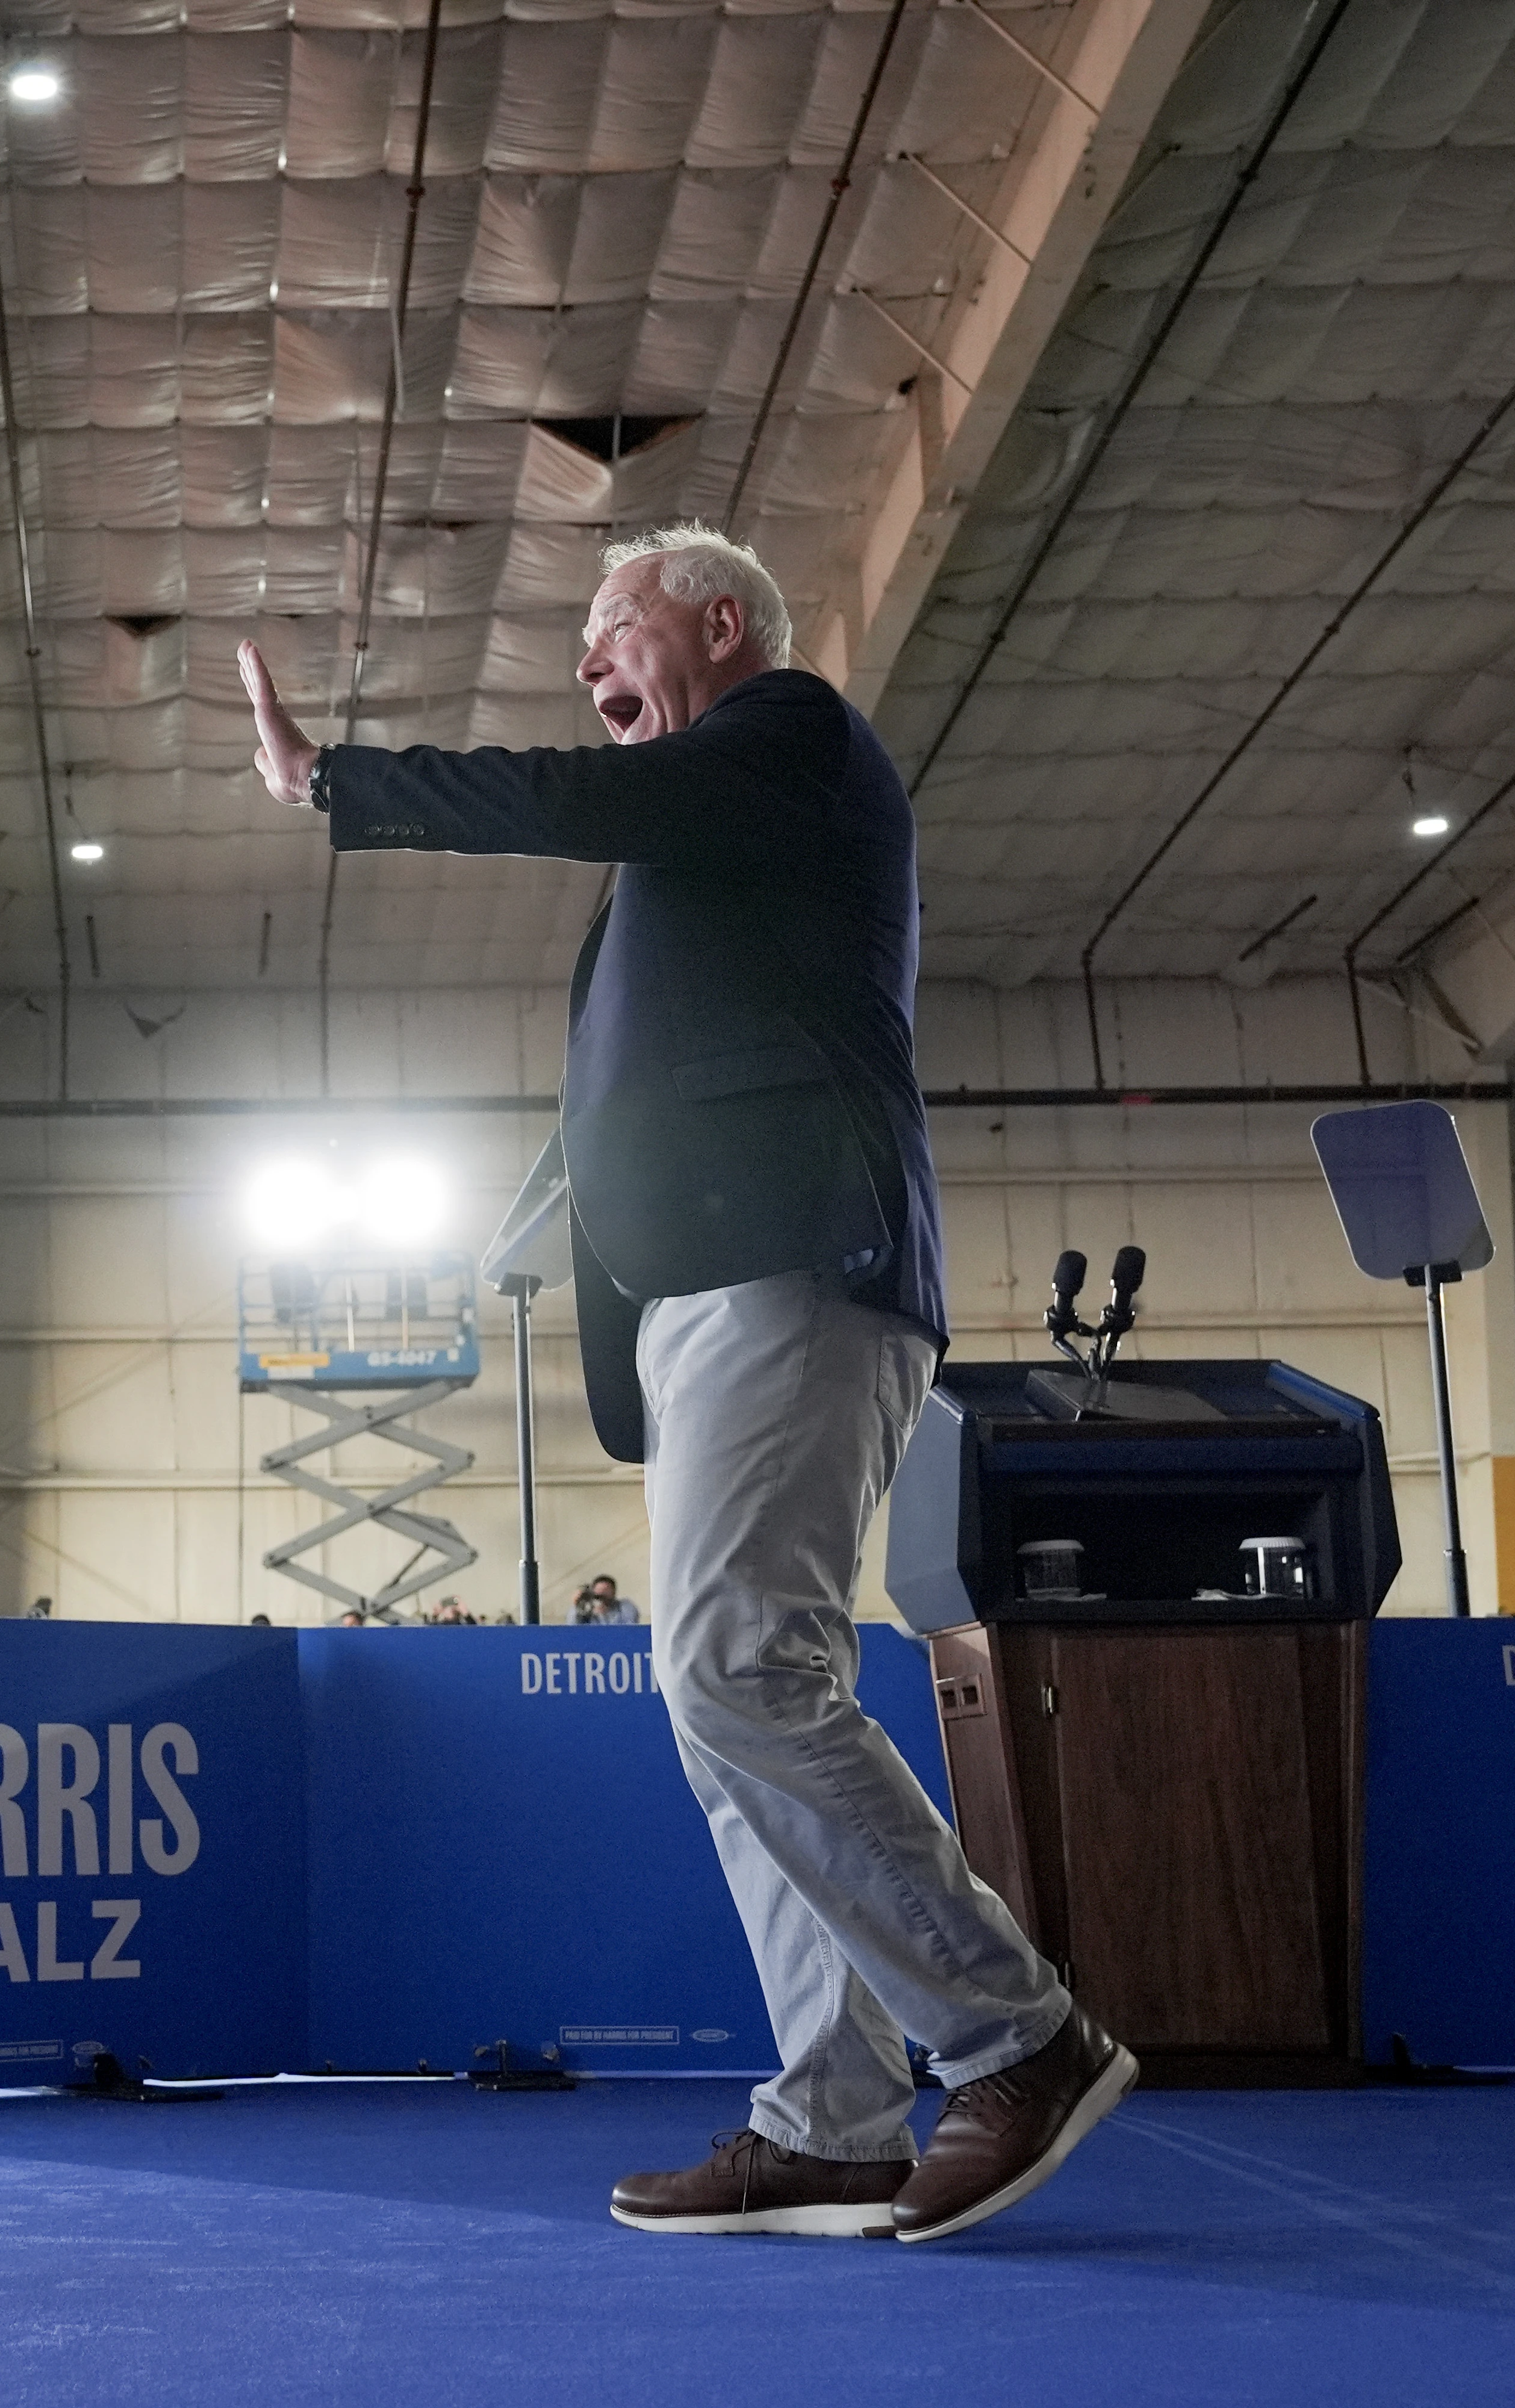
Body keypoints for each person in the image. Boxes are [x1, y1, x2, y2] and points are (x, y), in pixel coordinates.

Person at [238, 524, 1130, 2246]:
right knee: (729, 1705)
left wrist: (340, 774)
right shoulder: (721, 845)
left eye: (609, 623)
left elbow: (587, 802)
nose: (587, 659)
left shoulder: (794, 736)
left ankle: (1017, 2038)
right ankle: (840, 2119)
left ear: (720, 628)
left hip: (797, 1269)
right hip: (718, 1296)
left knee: (741, 1670)